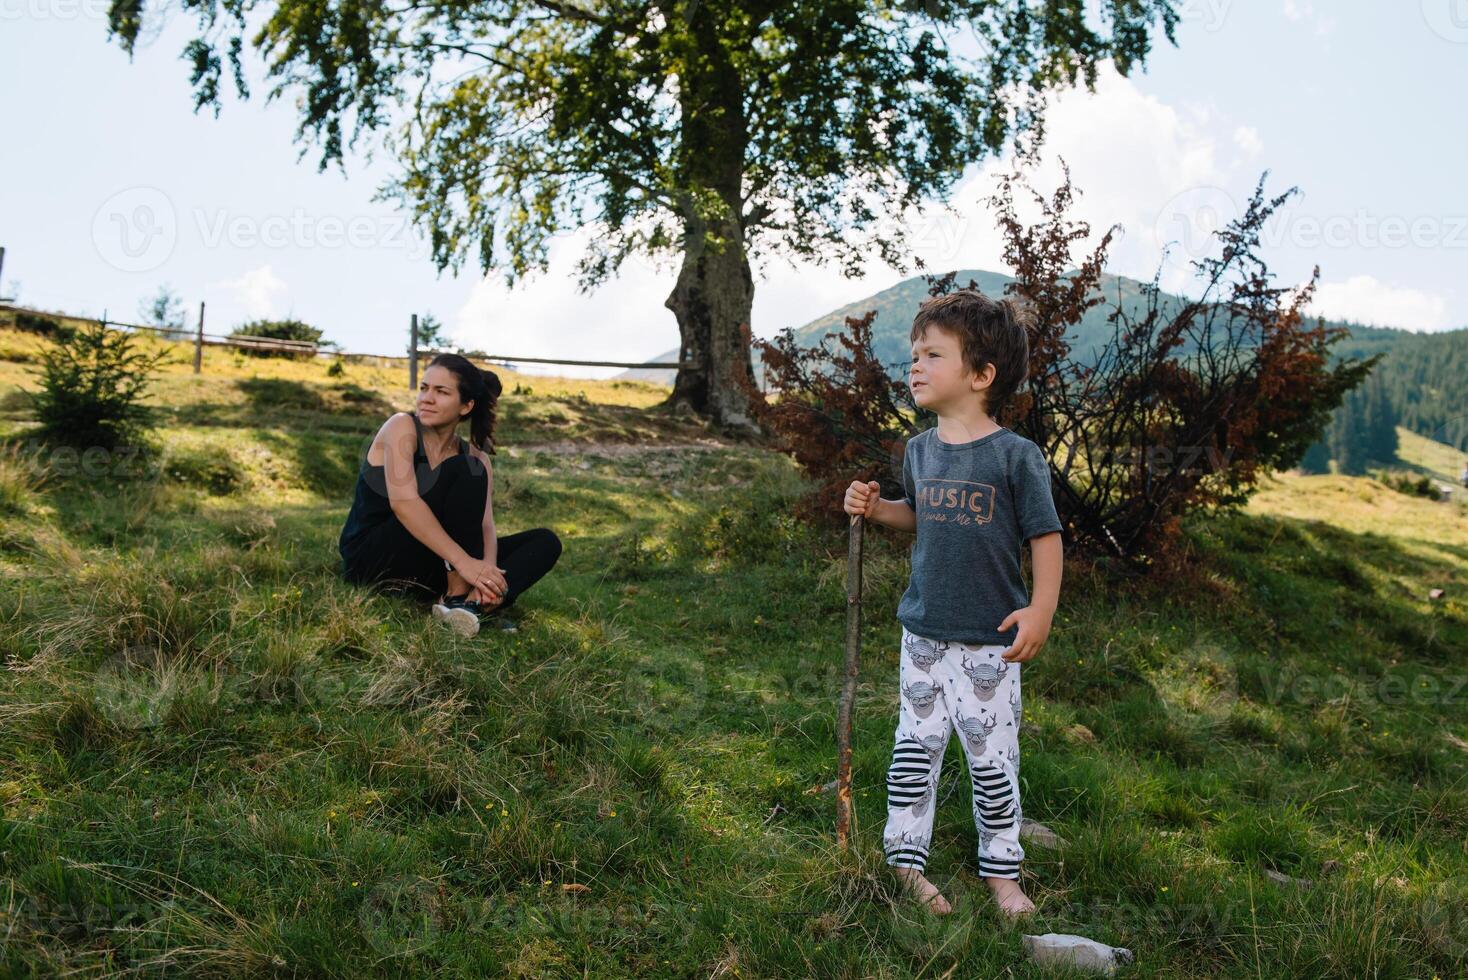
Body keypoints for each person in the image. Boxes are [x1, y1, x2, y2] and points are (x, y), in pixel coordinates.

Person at [843, 288, 1064, 920]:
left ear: (981, 375)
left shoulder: (1015, 457)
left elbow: (1045, 537)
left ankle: (1002, 870)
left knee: (992, 761)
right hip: (924, 635)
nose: (914, 365)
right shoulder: (919, 451)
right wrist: (875, 508)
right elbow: (919, 516)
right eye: (914, 354)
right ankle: (905, 862)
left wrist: (1041, 610)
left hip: (989, 640)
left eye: (932, 354)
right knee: (915, 750)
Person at [338, 353, 562, 636]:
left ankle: (471, 607)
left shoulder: (476, 457)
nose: (426, 398)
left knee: (544, 542)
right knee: (466, 469)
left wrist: (486, 573)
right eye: (424, 388)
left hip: (431, 564)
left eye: (441, 391)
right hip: (374, 559)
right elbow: (404, 504)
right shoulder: (401, 427)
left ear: (466, 406)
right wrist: (465, 563)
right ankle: (457, 596)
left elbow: (485, 526)